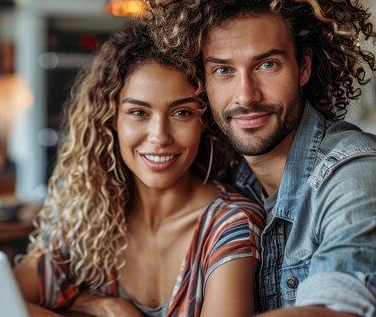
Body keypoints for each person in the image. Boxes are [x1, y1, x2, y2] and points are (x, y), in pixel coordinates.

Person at [143, 0, 376, 316]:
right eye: (224, 70)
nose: (246, 95)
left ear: (304, 66)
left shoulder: (357, 175)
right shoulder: (224, 179)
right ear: (204, 82)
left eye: (267, 65)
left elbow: (338, 309)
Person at [14, 21, 265, 317]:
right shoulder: (89, 219)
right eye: (138, 112)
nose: (160, 136)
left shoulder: (230, 224)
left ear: (204, 122)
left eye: (181, 113)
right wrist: (97, 306)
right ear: (111, 121)